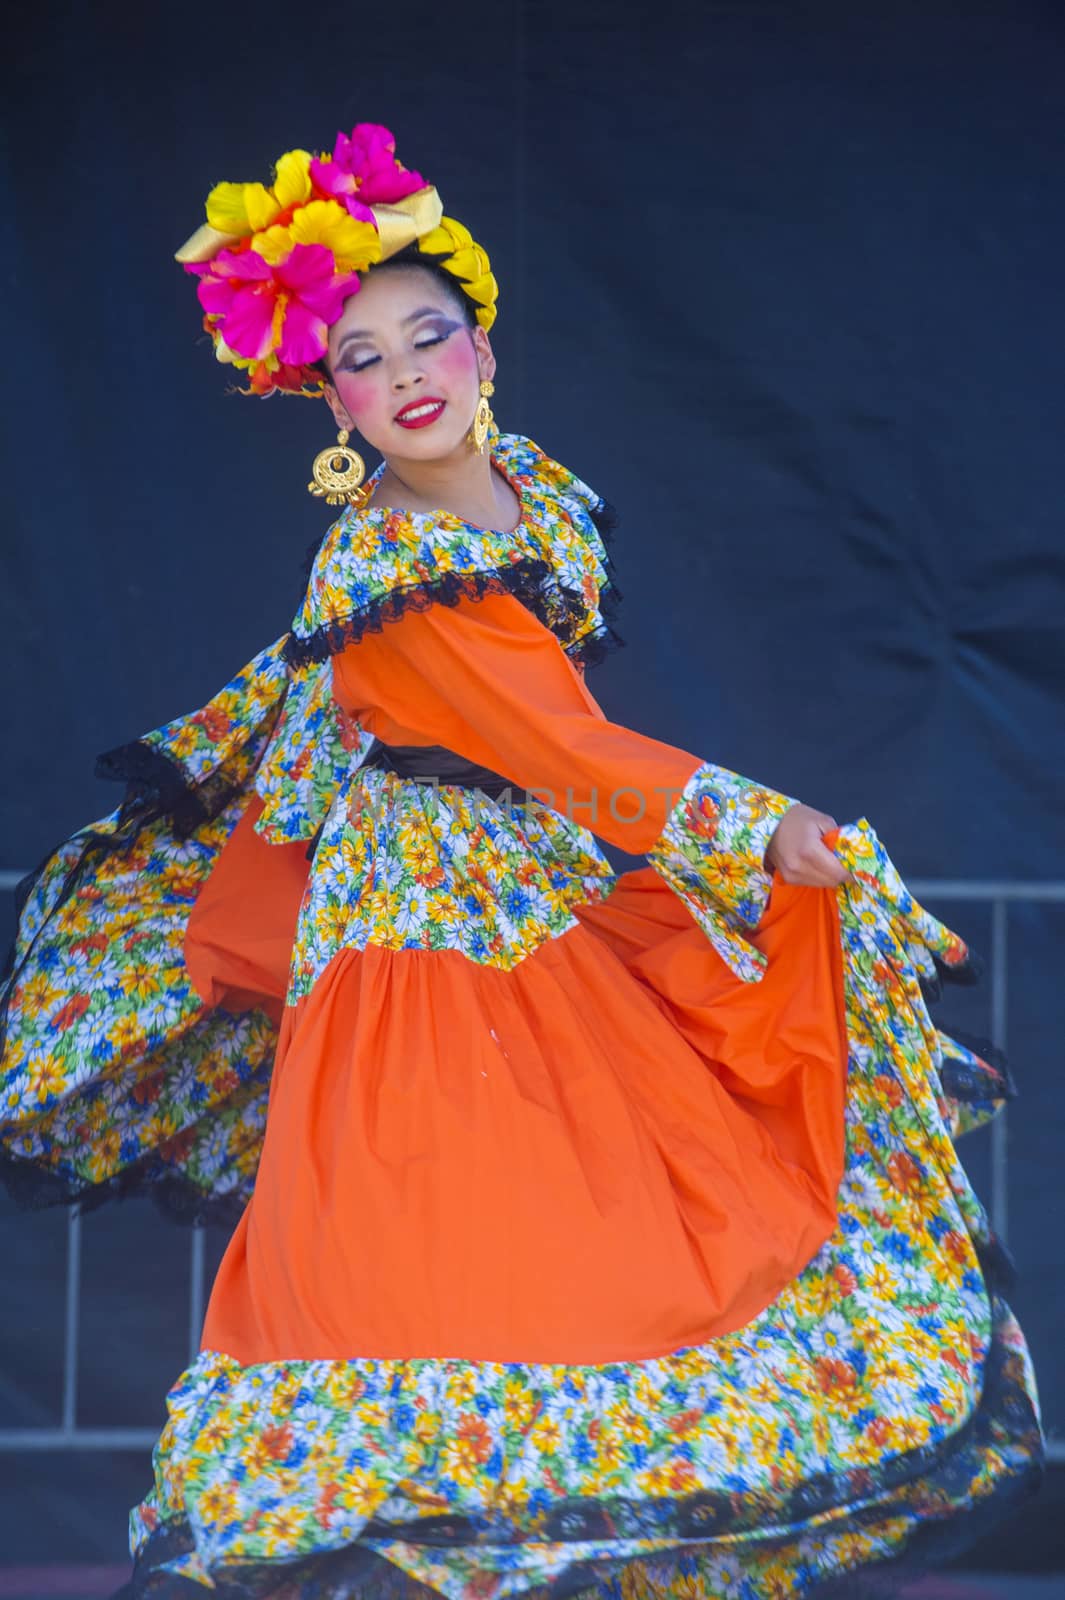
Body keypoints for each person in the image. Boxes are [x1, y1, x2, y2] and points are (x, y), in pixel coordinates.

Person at [0, 123, 1043, 1599]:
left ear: (482, 345)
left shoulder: (517, 496)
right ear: (326, 397)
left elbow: (532, 753)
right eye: (362, 355)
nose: (407, 370)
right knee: (440, 1280)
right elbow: (558, 743)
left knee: (570, 1272)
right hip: (424, 949)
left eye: (428, 332)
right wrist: (756, 827)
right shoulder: (394, 567)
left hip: (518, 902)